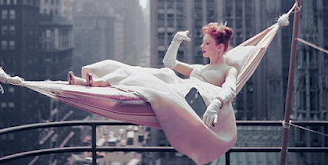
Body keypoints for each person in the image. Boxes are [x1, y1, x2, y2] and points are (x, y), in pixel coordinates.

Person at [68, 22, 237, 128]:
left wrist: (216, 103)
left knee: (139, 78)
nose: (202, 46)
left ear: (220, 47)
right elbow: (170, 63)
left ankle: (96, 83)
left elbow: (230, 89)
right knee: (134, 70)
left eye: (207, 43)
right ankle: (88, 81)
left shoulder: (227, 70)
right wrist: (176, 40)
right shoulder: (199, 69)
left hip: (184, 95)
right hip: (175, 84)